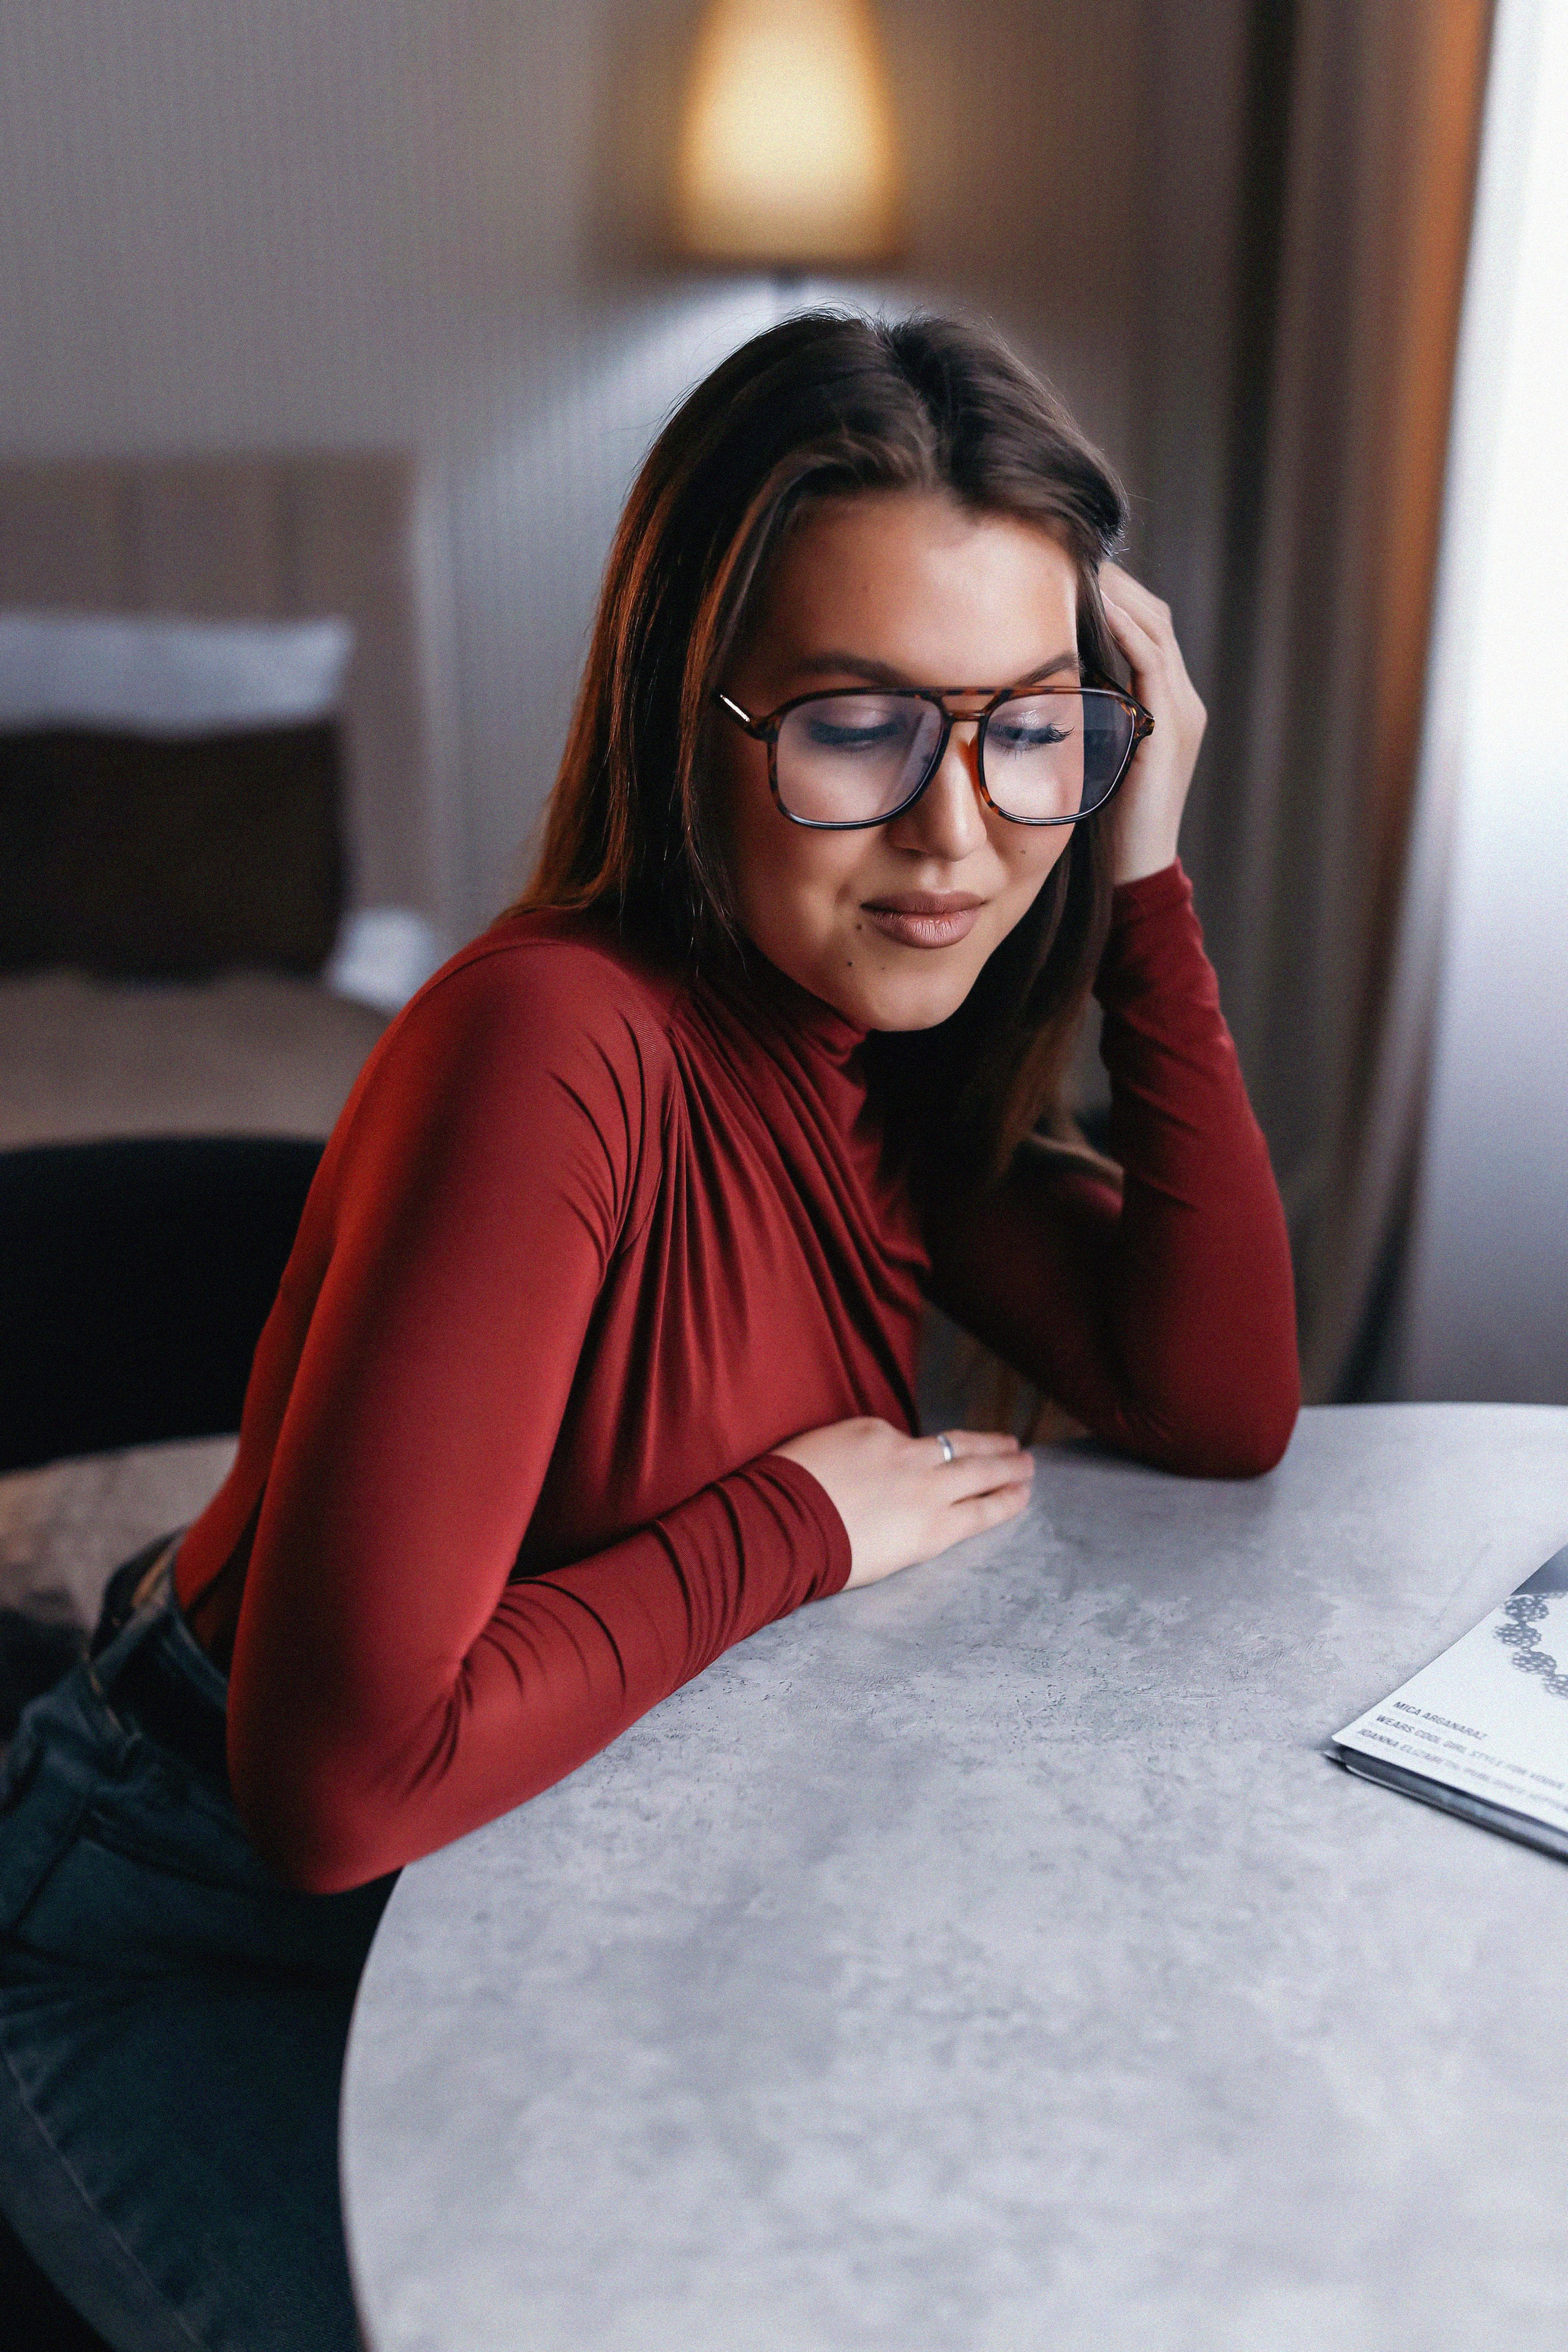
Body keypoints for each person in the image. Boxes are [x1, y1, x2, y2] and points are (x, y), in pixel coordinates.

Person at [0, 311, 1298, 2352]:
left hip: (554, 1912)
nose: (960, 836)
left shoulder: (874, 1034)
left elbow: (1222, 1404)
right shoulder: (549, 1045)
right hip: (192, 1938)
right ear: (692, 718)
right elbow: (339, 1786)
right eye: (863, 723)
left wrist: (1137, 874)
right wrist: (791, 1524)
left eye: (1032, 727)